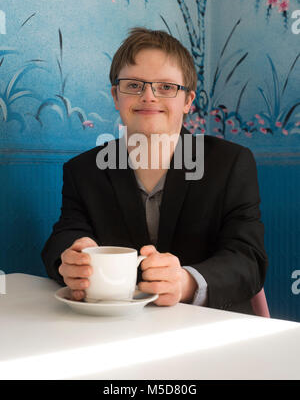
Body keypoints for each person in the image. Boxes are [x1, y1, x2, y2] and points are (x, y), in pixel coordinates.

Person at [41, 27, 268, 314]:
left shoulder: (230, 163)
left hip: (211, 329)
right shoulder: (84, 171)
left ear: (187, 101)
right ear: (116, 96)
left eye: (166, 87)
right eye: (134, 85)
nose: (148, 96)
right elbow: (61, 238)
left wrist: (186, 283)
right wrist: (70, 258)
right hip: (116, 330)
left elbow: (248, 259)